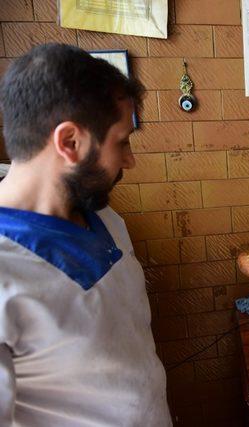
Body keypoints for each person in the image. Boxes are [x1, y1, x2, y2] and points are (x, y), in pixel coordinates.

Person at [0, 44, 172, 426]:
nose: (129, 160)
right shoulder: (6, 273)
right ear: (70, 142)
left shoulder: (106, 219)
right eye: (122, 142)